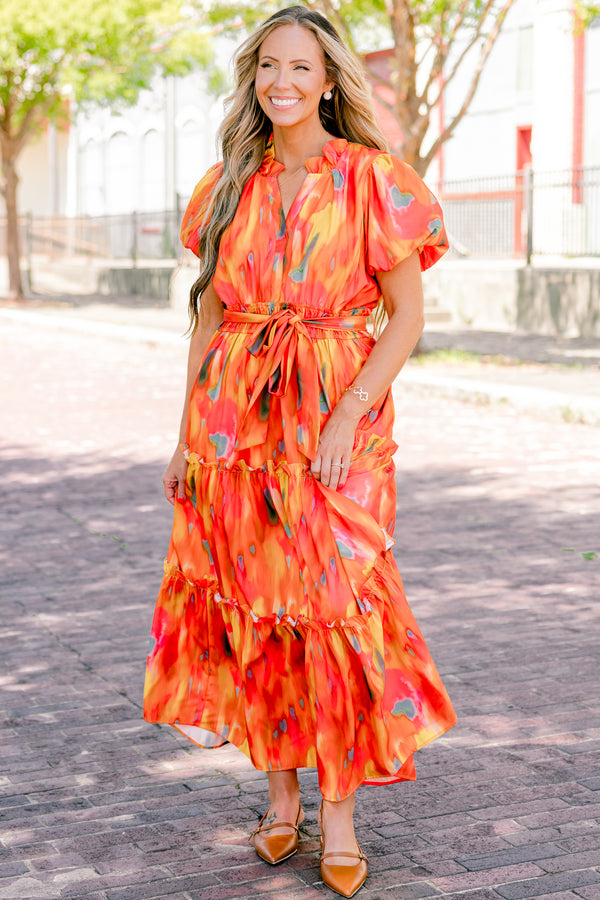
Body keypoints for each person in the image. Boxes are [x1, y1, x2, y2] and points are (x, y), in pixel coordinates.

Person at [143, 6, 457, 897]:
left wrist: (348, 415)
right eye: (269, 66)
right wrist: (184, 436)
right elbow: (210, 316)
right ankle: (281, 801)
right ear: (254, 77)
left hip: (335, 422)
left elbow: (407, 318)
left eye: (302, 68)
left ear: (328, 81)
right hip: (235, 432)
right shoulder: (226, 186)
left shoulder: (372, 181)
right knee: (258, 609)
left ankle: (342, 813)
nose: (283, 82)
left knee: (338, 611)